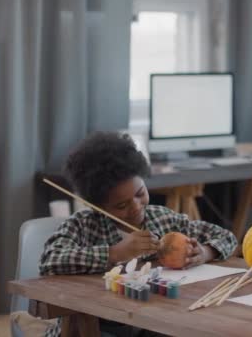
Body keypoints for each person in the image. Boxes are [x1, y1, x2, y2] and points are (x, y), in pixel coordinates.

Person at [39, 131, 238, 336]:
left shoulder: (164, 219)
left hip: (148, 322)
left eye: (139, 193)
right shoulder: (83, 226)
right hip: (96, 325)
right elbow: (50, 261)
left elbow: (226, 236)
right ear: (98, 207)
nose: (135, 207)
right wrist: (115, 253)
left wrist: (205, 252)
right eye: (121, 205)